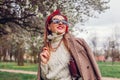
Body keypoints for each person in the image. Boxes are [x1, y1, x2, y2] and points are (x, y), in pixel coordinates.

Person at [37, 10, 102, 80]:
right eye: (56, 21)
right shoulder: (45, 48)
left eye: (64, 22)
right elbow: (44, 77)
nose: (61, 23)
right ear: (49, 26)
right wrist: (44, 63)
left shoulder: (77, 44)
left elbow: (89, 70)